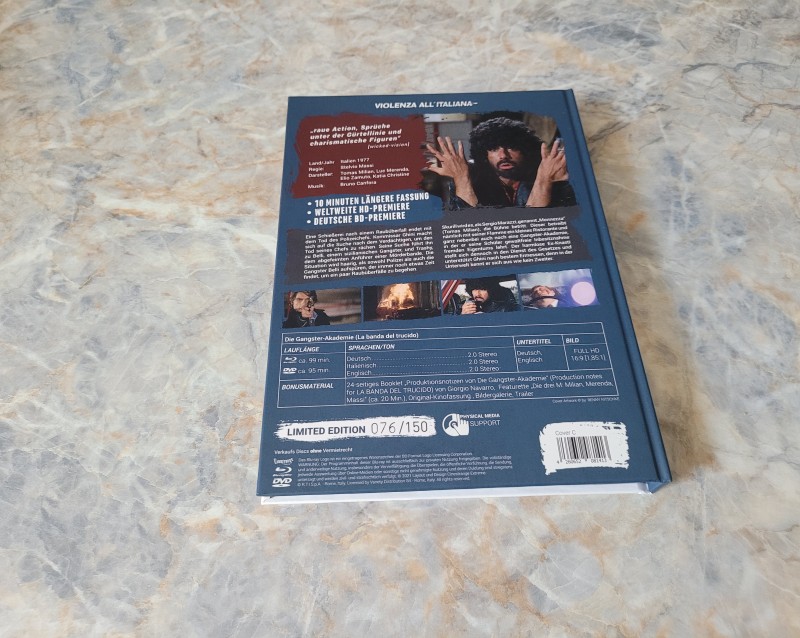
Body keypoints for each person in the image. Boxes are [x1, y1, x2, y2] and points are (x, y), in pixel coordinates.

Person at [426, 117, 576, 209]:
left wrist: (546, 180)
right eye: (494, 149)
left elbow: (537, 227)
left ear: (524, 150)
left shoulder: (551, 173)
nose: (503, 155)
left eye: (511, 147)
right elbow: (469, 226)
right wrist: (461, 178)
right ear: (484, 154)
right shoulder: (469, 179)